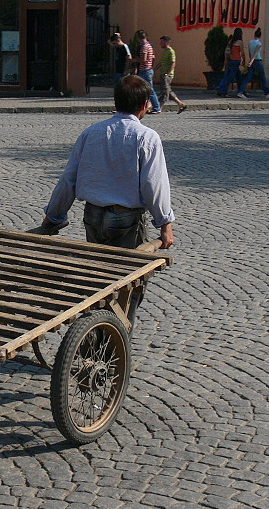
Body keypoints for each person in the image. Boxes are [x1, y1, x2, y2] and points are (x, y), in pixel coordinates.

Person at [38, 75, 175, 327]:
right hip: (126, 221)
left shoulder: (92, 133)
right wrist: (165, 225)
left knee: (99, 280)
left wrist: (53, 216)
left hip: (93, 217)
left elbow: (69, 179)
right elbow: (153, 185)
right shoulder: (146, 137)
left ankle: (95, 335)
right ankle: (115, 345)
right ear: (145, 104)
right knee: (128, 286)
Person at [237, 28, 269, 98]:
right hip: (257, 60)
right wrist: (252, 60)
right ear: (260, 36)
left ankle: (240, 91)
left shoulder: (250, 42)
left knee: (248, 77)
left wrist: (250, 60)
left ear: (254, 35)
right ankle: (267, 93)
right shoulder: (259, 43)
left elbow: (250, 52)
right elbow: (255, 53)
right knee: (263, 77)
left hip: (252, 61)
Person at [156, 35, 187, 113]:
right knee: (168, 90)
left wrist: (167, 73)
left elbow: (173, 63)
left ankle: (160, 107)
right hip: (163, 73)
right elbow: (161, 62)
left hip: (167, 75)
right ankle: (180, 104)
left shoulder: (171, 51)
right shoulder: (164, 51)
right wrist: (154, 69)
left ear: (166, 43)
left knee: (164, 91)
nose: (160, 44)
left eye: (162, 42)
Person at [133, 30, 161, 114]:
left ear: (138, 38)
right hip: (148, 70)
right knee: (146, 90)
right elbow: (152, 58)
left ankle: (156, 107)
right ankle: (149, 106)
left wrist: (135, 60)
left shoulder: (144, 47)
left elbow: (144, 59)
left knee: (149, 90)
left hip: (145, 70)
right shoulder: (149, 45)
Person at [216, 27, 247, 97]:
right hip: (236, 60)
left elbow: (227, 51)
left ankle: (242, 91)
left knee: (238, 77)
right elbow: (242, 52)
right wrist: (244, 60)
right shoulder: (240, 42)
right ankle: (223, 92)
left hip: (230, 60)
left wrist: (226, 60)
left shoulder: (231, 41)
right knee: (230, 77)